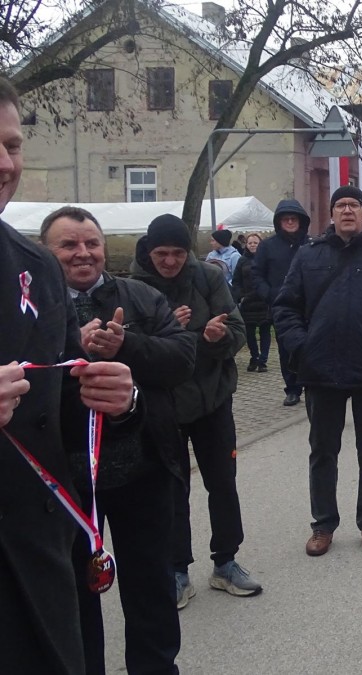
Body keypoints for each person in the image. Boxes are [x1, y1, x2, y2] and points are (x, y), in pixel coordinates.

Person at [0, 76, 138, 675]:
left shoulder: (34, 265)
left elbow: (58, 405)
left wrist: (119, 399)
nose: (6, 164)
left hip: (35, 554)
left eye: (12, 145)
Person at [41, 205, 194, 675]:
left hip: (144, 468)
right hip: (64, 482)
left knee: (151, 589)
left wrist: (124, 345)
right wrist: (71, 348)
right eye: (68, 245)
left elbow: (182, 359)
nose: (83, 253)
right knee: (73, 597)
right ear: (45, 253)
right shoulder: (32, 307)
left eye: (92, 243)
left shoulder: (141, 296)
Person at [273, 185, 362, 556]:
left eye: (354, 204)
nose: (347, 210)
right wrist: (303, 346)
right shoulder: (309, 256)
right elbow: (286, 307)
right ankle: (323, 524)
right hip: (320, 370)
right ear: (332, 214)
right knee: (323, 451)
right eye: (340, 205)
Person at [131, 214, 262, 607]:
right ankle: (177, 570)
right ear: (149, 251)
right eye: (162, 253)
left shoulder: (208, 277)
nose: (170, 261)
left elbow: (237, 330)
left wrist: (216, 337)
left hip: (211, 399)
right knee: (172, 490)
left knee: (222, 482)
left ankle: (226, 562)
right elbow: (129, 348)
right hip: (162, 406)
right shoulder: (134, 287)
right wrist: (168, 331)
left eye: (178, 253)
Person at [254, 199, 310, 406]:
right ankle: (292, 388)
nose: (290, 222)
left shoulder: (311, 245)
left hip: (309, 306)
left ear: (301, 221)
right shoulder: (267, 247)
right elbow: (256, 275)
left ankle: (312, 384)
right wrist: (269, 294)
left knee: (311, 345)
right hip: (282, 308)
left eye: (293, 218)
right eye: (286, 219)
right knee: (287, 349)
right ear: (279, 222)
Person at [233, 233, 270, 373]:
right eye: (250, 243)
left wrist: (269, 294)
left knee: (265, 331)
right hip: (248, 302)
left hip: (264, 301)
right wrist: (240, 296)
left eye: (255, 242)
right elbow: (236, 280)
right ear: (246, 245)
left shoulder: (266, 259)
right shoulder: (242, 260)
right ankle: (254, 356)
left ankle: (263, 360)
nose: (253, 245)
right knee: (250, 333)